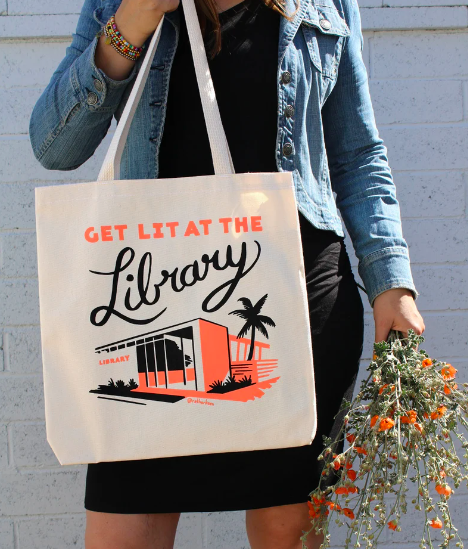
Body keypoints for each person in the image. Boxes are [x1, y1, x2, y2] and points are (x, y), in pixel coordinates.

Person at [29, 0, 425, 546]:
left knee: (286, 531)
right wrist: (131, 25)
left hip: (294, 308)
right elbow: (55, 145)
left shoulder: (325, 5)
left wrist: (391, 283)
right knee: (124, 527)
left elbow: (357, 154)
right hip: (148, 308)